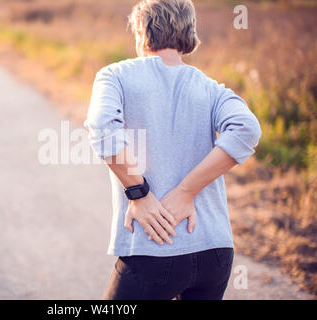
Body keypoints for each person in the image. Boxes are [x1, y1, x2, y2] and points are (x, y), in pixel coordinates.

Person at [83, 0, 262, 300]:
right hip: (215, 254)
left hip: (153, 250)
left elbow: (102, 127)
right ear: (189, 34)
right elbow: (247, 129)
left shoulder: (115, 76)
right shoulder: (209, 87)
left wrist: (139, 194)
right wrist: (187, 192)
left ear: (141, 32)